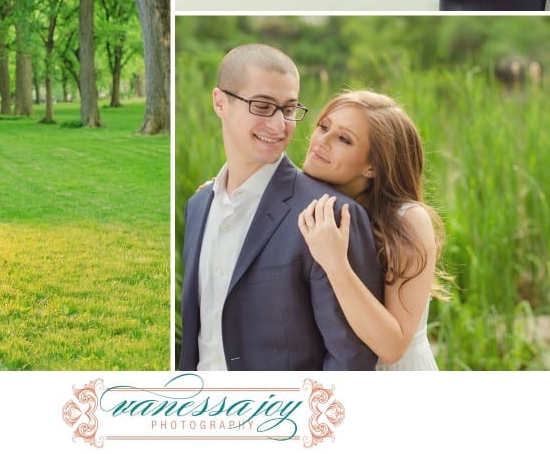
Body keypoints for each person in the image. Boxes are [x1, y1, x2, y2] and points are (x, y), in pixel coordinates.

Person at [179, 43, 384, 371]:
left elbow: (351, 359)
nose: (279, 125)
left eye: (288, 110)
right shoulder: (198, 206)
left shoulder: (328, 215)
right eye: (262, 106)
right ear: (220, 102)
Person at [297, 91, 448, 371]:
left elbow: (393, 347)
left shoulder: (408, 221)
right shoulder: (309, 199)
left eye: (344, 139)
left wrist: (336, 264)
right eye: (324, 126)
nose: (321, 141)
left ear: (372, 166)